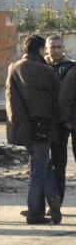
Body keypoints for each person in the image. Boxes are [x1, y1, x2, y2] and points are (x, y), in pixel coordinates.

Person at [6, 34, 62, 224]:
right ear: (40, 49)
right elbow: (58, 99)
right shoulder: (47, 71)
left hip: (23, 128)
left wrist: (17, 125)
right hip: (43, 127)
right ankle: (35, 212)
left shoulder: (13, 68)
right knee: (40, 168)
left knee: (41, 165)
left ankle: (51, 199)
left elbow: (9, 99)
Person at [46, 34, 76, 207]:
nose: (56, 50)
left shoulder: (71, 68)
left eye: (59, 47)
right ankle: (45, 201)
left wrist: (70, 120)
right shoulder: (41, 67)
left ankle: (58, 201)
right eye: (53, 47)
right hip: (43, 123)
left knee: (59, 163)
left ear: (64, 48)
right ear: (47, 48)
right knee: (42, 165)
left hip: (63, 124)